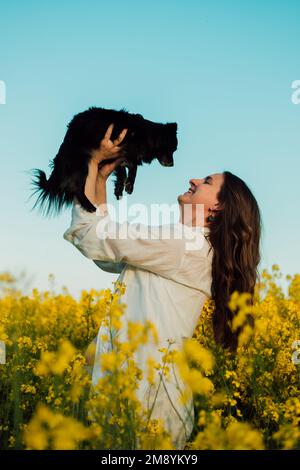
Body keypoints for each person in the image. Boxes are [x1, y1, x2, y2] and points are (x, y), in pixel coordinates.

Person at [63, 123, 262, 449]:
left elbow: (92, 236)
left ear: (217, 207)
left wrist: (90, 161)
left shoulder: (184, 244)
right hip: (140, 404)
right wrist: (98, 177)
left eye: (207, 182)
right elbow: (108, 254)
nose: (194, 180)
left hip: (146, 411)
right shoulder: (187, 245)